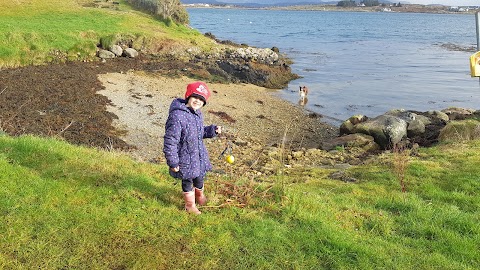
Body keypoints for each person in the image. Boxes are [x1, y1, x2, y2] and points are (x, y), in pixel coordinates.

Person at [163, 81, 222, 214]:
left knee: (200, 178)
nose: (198, 101)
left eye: (201, 99)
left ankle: (199, 196)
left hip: (198, 156)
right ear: (188, 96)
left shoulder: (197, 113)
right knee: (188, 181)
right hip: (185, 158)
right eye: (195, 97)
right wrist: (173, 161)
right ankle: (190, 205)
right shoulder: (177, 116)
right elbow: (170, 140)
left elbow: (199, 133)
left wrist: (212, 130)